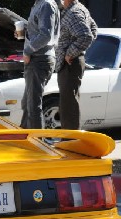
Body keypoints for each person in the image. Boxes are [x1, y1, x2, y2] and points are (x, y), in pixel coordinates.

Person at [56, 0, 97, 129]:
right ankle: (69, 140)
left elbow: (86, 36)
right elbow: (94, 29)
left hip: (70, 63)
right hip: (70, 62)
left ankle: (70, 142)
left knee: (69, 105)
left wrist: (70, 53)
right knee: (67, 103)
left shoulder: (74, 12)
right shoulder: (77, 9)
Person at [20, 0, 60, 129]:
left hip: (39, 59)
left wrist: (27, 51)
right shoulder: (40, 4)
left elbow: (46, 35)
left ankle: (36, 143)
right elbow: (40, 31)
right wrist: (25, 33)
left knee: (33, 105)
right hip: (39, 59)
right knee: (27, 103)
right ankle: (25, 138)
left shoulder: (46, 5)